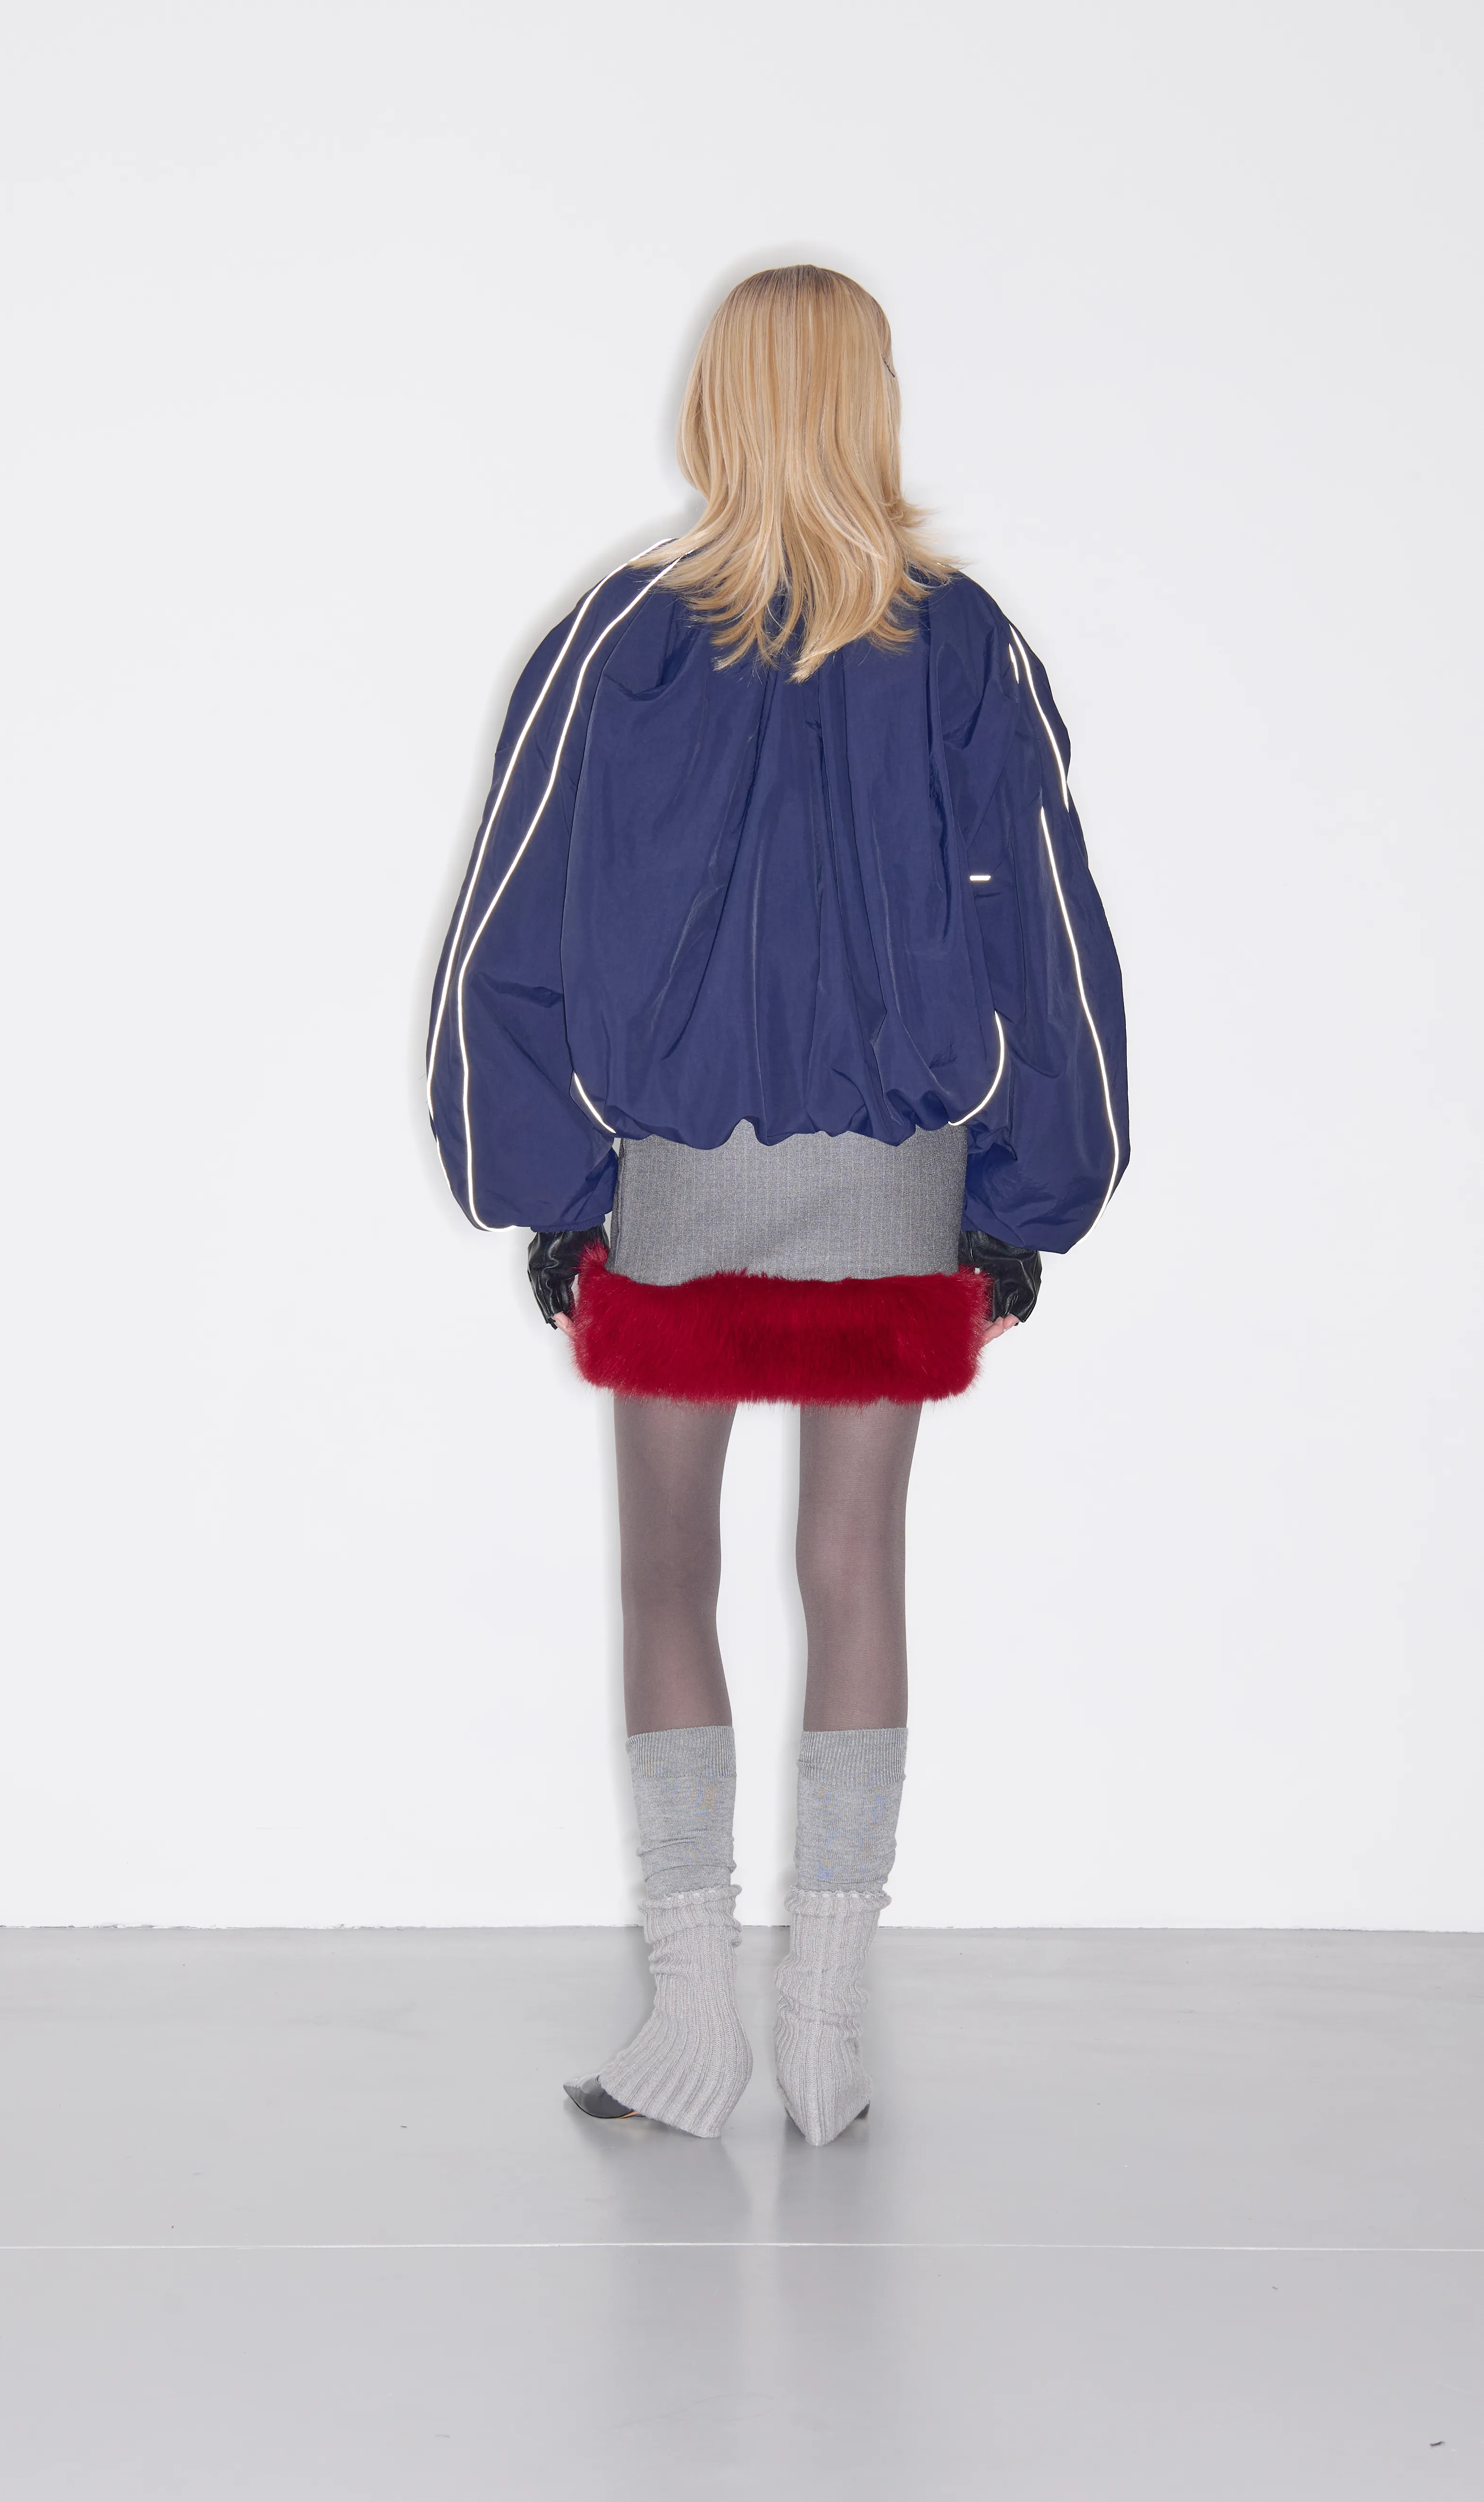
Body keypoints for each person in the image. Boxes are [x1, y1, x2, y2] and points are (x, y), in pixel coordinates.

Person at [427, 265, 1127, 2144]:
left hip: (672, 1186)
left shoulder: (615, 639)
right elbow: (1047, 932)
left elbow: (514, 924)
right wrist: (1027, 1195)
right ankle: (823, 2025)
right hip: (893, 1185)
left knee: (671, 1568)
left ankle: (692, 2022)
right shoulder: (964, 644)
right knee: (856, 1564)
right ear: (870, 402)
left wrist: (547, 1186)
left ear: (716, 404)